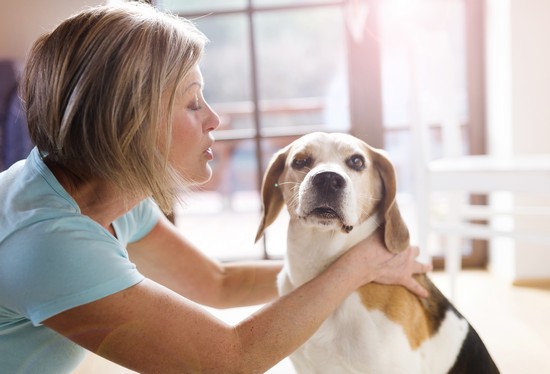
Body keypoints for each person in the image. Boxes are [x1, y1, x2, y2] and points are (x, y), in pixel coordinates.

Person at [0, 3, 432, 373]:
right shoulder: (47, 241)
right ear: (129, 120)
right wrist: (357, 267)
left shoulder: (107, 188)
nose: (214, 119)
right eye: (193, 103)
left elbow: (217, 283)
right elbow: (229, 361)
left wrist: (362, 268)